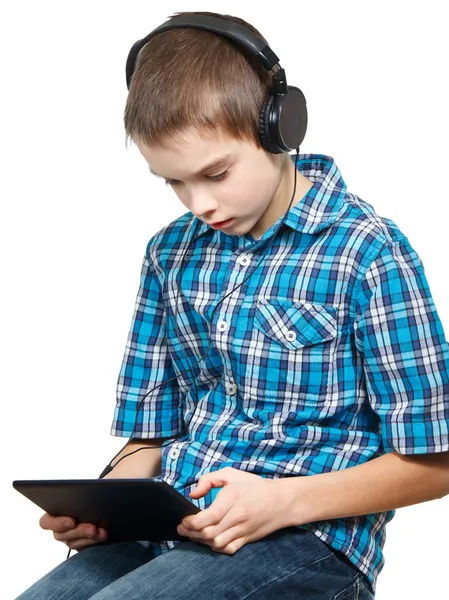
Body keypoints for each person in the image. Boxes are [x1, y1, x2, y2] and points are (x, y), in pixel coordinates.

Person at [17, 10, 449, 600]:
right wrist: (105, 505)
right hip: (177, 523)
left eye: (216, 173)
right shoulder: (170, 254)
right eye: (173, 182)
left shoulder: (367, 253)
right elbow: (150, 439)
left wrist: (281, 501)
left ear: (278, 128)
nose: (199, 202)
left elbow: (436, 462)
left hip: (307, 539)